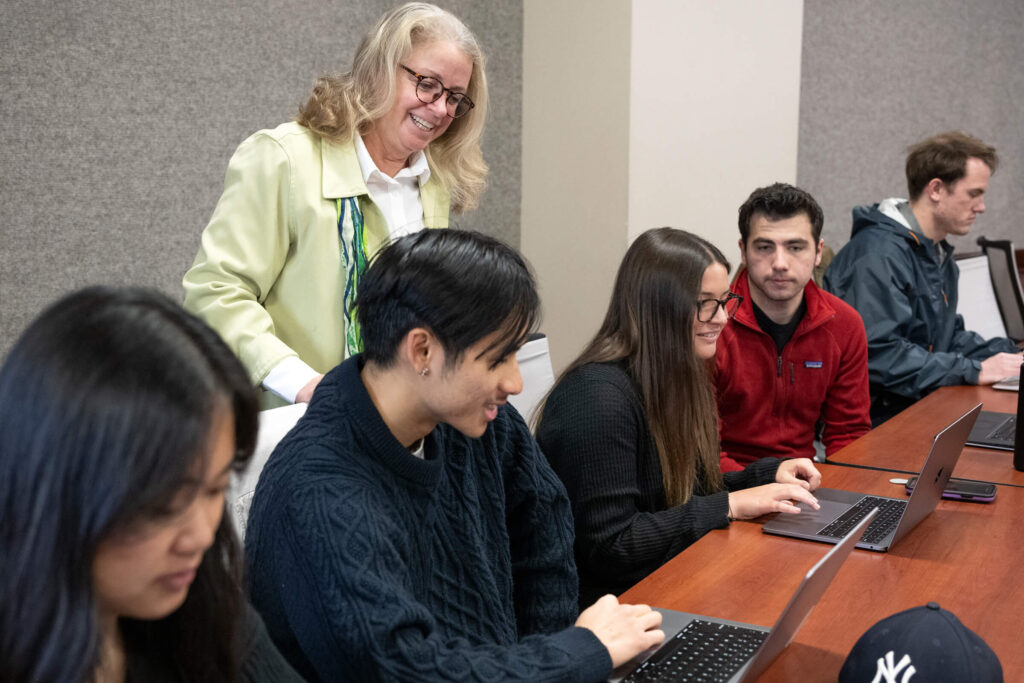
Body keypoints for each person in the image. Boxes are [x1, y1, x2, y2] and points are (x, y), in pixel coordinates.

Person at [244, 229, 664, 681]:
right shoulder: (321, 492)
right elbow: (407, 671)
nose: (515, 383)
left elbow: (545, 530)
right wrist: (574, 654)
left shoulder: (476, 420)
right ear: (422, 349)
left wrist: (550, 660)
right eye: (497, 359)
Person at [183, 2, 489, 408]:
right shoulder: (284, 159)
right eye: (427, 84)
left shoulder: (433, 184)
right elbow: (215, 293)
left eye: (454, 97)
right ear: (379, 67)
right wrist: (305, 385)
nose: (439, 109)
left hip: (394, 427)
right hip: (293, 426)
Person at [0, 287, 302, 683]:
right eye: (164, 506)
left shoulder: (201, 603)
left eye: (215, 490)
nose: (200, 537)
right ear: (59, 489)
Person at [534, 228, 823, 607]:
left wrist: (765, 476)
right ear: (659, 307)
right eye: (705, 303)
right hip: (607, 612)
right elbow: (612, 546)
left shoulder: (677, 377)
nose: (721, 318)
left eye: (724, 301)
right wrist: (730, 506)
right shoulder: (594, 397)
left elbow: (685, 493)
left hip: (661, 586)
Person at [825, 131, 1022, 424]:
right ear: (936, 190)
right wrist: (973, 370)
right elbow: (879, 355)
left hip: (917, 407)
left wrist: (1008, 356)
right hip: (877, 423)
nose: (981, 207)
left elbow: (945, 338)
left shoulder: (935, 252)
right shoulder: (877, 256)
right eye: (974, 194)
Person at [715, 183, 870, 472]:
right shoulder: (712, 323)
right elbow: (700, 450)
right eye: (764, 247)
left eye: (795, 247)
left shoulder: (845, 325)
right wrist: (764, 485)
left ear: (818, 252)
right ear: (743, 251)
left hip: (805, 480)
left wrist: (847, 494)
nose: (780, 263)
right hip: (724, 488)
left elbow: (848, 436)